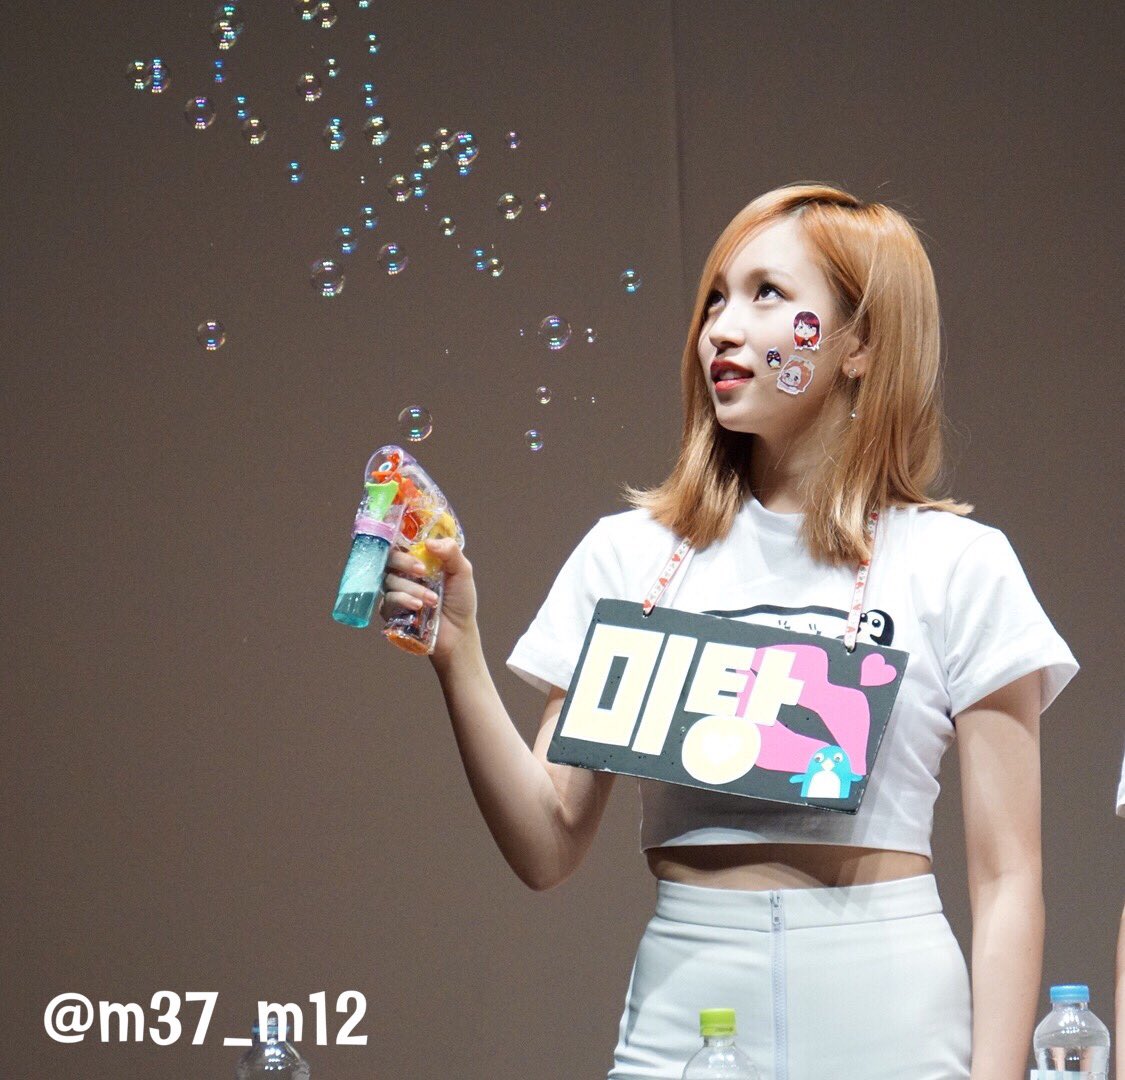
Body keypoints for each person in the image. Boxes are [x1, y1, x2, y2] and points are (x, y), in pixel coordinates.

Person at [378, 182, 1080, 1079]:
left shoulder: (957, 563)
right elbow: (547, 845)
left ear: (860, 343)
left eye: (766, 294)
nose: (721, 328)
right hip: (684, 1010)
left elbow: (1007, 878)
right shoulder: (629, 555)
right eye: (714, 297)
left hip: (892, 1011)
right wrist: (458, 653)